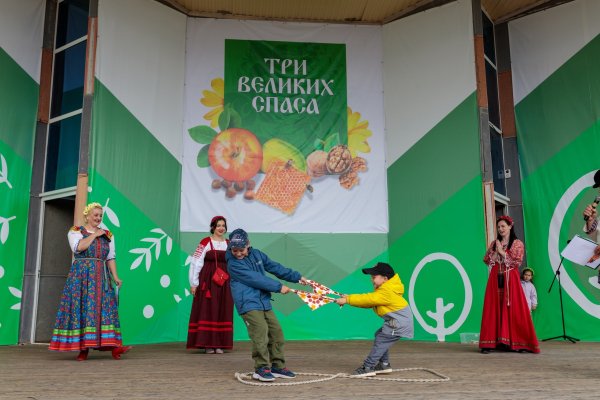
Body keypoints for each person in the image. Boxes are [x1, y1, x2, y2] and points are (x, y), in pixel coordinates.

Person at [49, 202, 132, 361]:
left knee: (106, 310)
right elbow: (78, 248)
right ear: (87, 216)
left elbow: (110, 257)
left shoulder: (108, 235)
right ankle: (83, 349)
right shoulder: (76, 231)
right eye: (95, 215)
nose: (98, 218)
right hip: (81, 276)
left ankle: (115, 347)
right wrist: (94, 234)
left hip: (101, 276)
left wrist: (115, 276)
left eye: (100, 216)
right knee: (84, 309)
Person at [225, 228, 308, 382]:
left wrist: (296, 277)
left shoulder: (257, 254)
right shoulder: (233, 264)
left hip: (263, 301)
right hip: (248, 303)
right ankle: (261, 368)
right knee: (260, 332)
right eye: (234, 250)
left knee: (276, 332)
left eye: (241, 250)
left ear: (248, 244)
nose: (238, 253)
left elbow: (275, 267)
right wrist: (278, 287)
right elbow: (255, 278)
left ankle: (277, 366)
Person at [335, 262, 414, 376]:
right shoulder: (386, 289)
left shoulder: (386, 292)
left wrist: (348, 300)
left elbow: (369, 299)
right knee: (380, 336)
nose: (371, 280)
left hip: (398, 324)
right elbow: (369, 302)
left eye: (374, 277)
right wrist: (349, 299)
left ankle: (368, 367)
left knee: (381, 340)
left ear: (385, 278)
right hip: (396, 323)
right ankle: (384, 365)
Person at [479, 215, 540, 354]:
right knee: (493, 307)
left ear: (510, 227)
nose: (500, 229)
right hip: (496, 277)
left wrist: (502, 252)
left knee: (515, 308)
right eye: (499, 227)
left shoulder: (517, 243)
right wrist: (496, 252)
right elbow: (487, 260)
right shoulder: (495, 243)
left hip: (510, 277)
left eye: (503, 226)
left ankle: (520, 343)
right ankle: (490, 343)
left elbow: (516, 262)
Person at [187, 216, 233, 353]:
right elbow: (196, 262)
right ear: (213, 227)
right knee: (207, 309)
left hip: (225, 282)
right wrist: (194, 283)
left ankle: (219, 344)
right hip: (208, 281)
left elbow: (234, 263)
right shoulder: (205, 242)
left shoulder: (229, 244)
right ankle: (207, 344)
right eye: (218, 225)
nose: (221, 228)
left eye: (223, 225)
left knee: (222, 309)